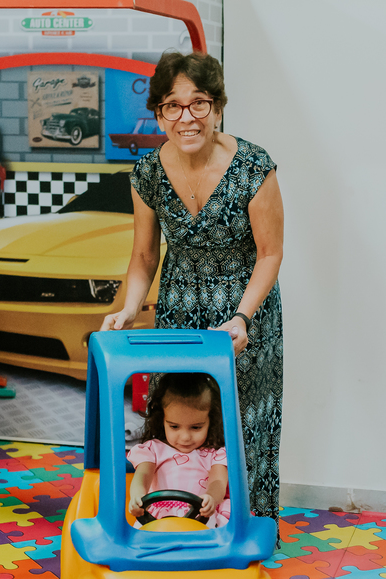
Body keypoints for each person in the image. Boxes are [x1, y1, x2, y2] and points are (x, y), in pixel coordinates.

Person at [100, 50, 284, 521]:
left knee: (240, 426)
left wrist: (242, 317)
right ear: (159, 114)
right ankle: (172, 522)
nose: (187, 117)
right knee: (178, 423)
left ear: (218, 107)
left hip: (244, 315)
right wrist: (127, 309)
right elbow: (143, 257)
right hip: (179, 313)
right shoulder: (148, 174)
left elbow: (270, 253)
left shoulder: (252, 166)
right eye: (173, 106)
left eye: (199, 103)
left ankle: (245, 535)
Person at [127, 372, 229, 579]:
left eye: (196, 428)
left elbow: (217, 480)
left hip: (198, 528)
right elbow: (142, 476)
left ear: (211, 422)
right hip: (156, 529)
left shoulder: (214, 454)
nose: (184, 437)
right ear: (162, 420)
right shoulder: (154, 450)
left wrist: (213, 496)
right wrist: (136, 494)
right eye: (175, 427)